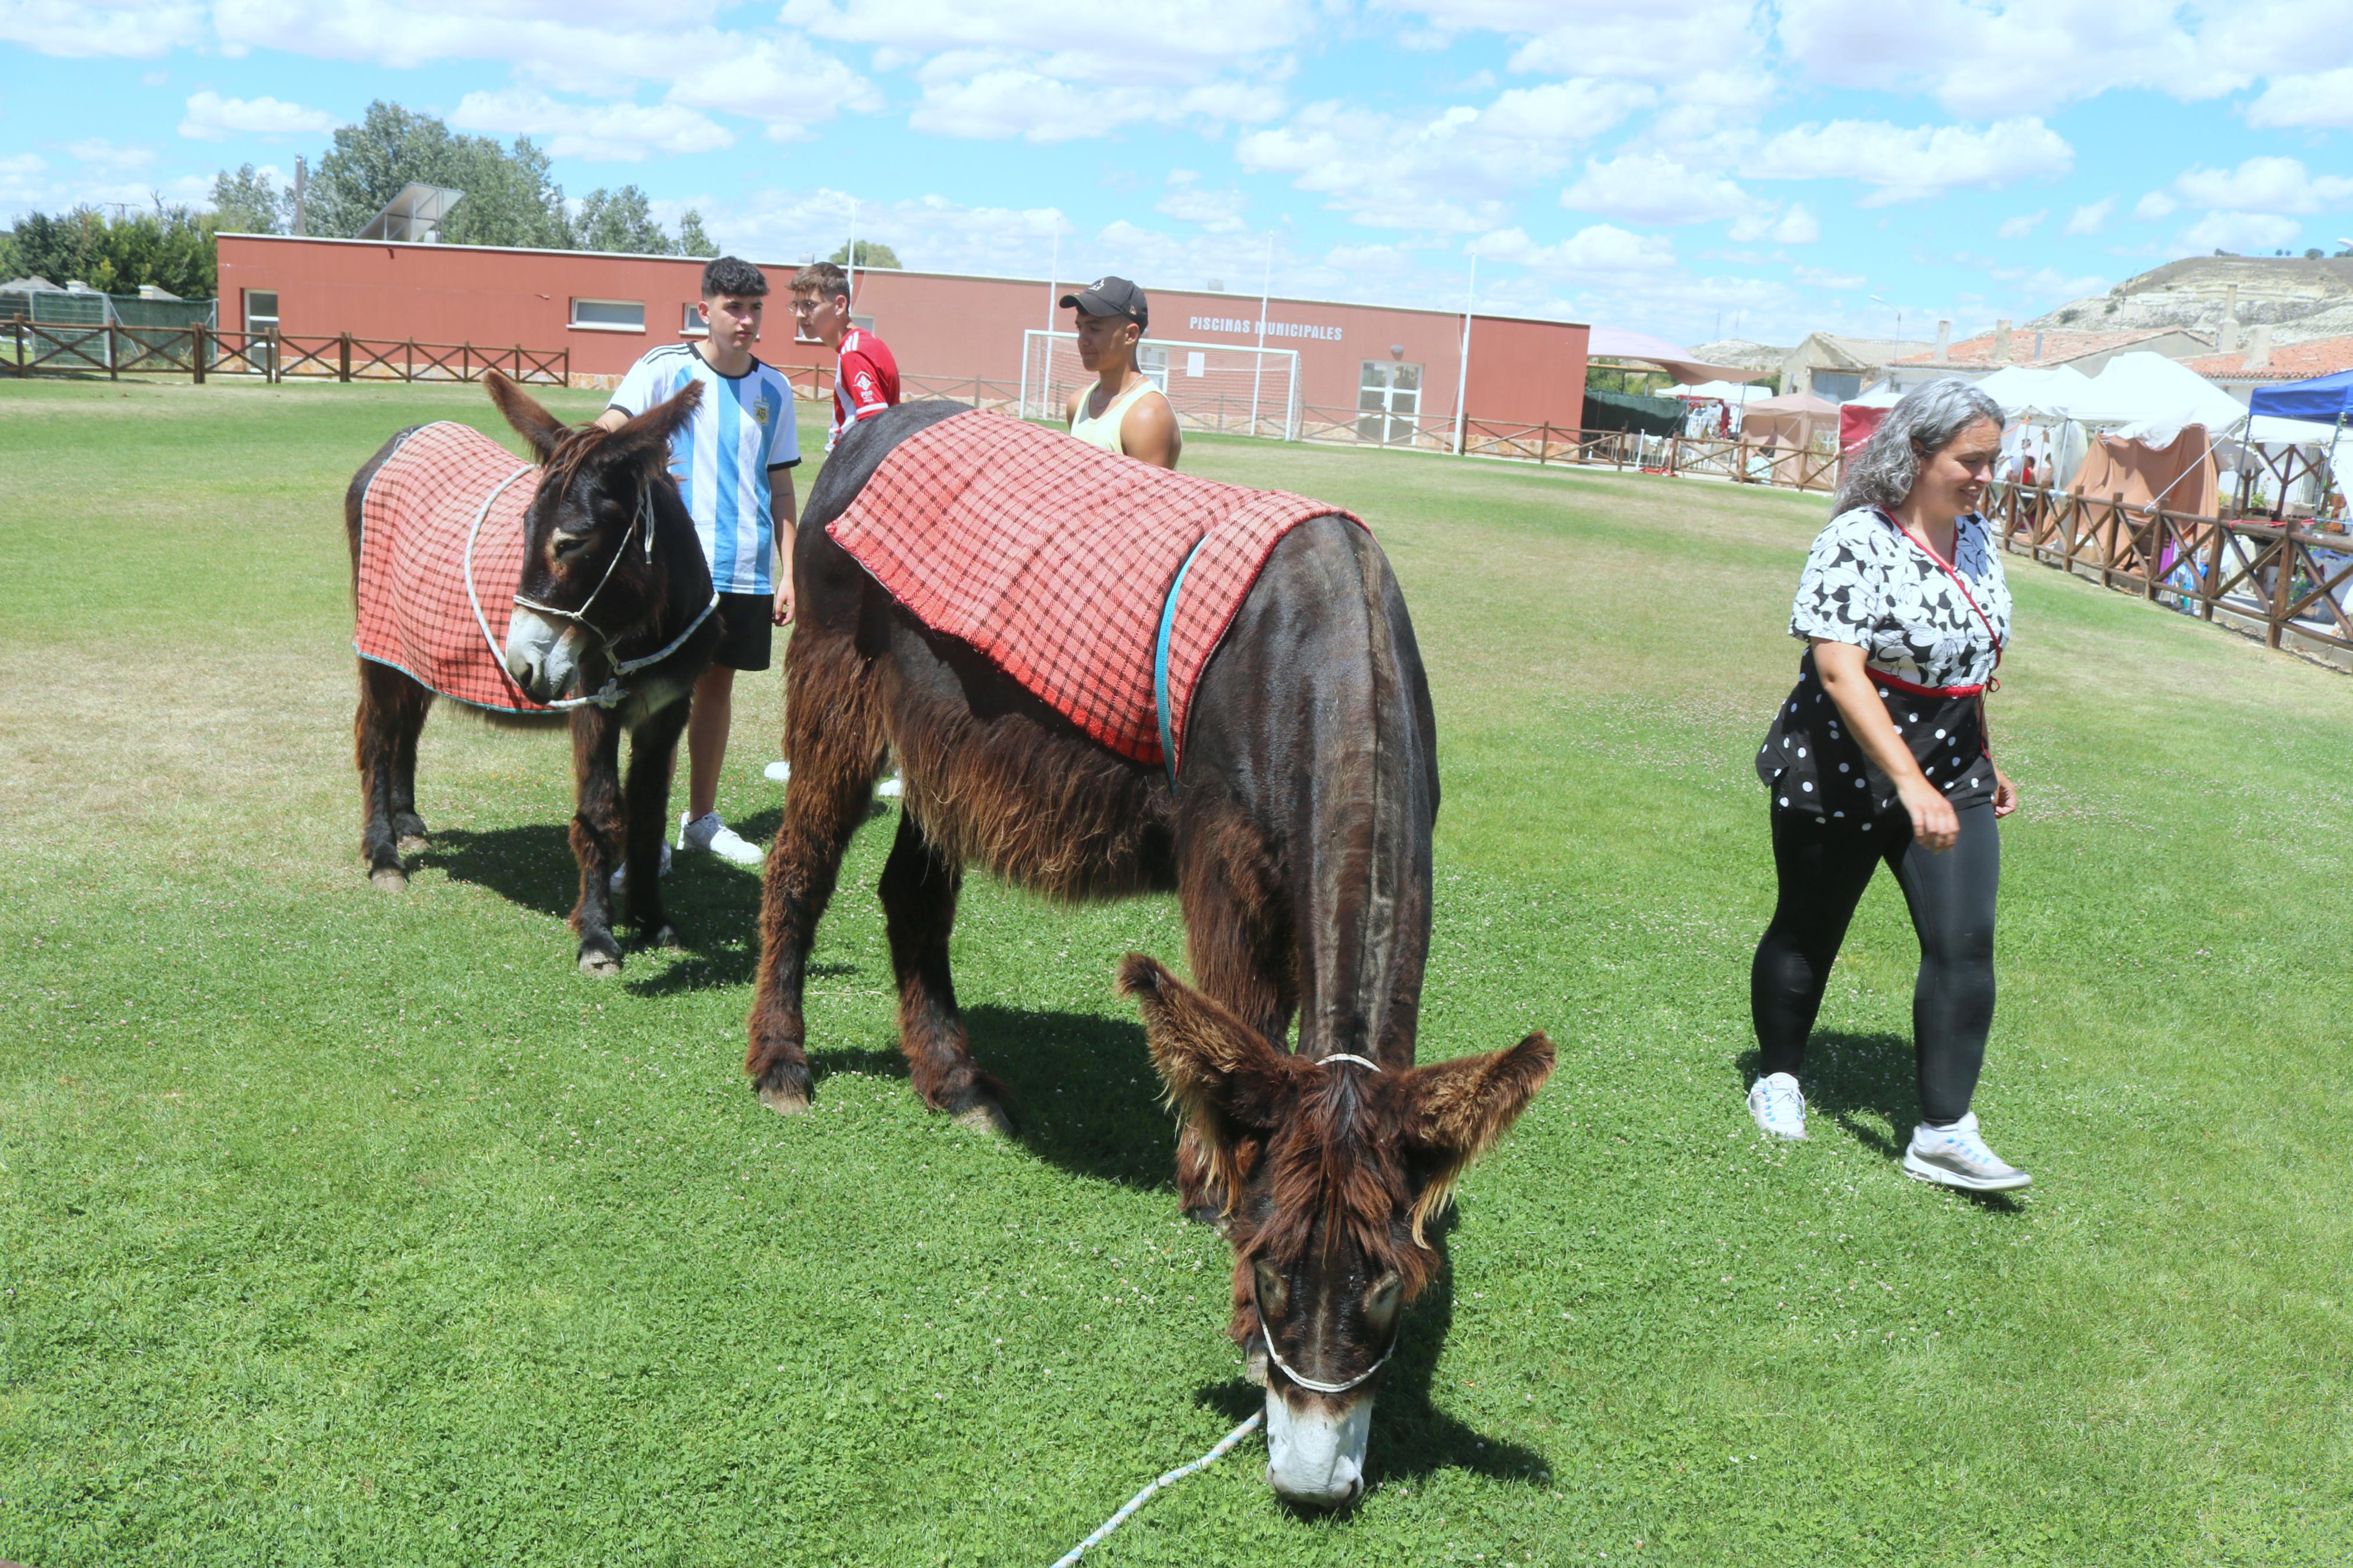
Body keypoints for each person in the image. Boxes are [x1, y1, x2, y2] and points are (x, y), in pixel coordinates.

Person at [1745, 378, 2032, 1193]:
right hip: (1839, 764)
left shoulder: (1976, 539)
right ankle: (1778, 1075)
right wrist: (1906, 781)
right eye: (1967, 460)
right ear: (1914, 452)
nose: (1983, 476)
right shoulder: (1853, 541)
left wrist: (1980, 755)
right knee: (1807, 930)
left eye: (1991, 461)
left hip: (1950, 769)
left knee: (1963, 942)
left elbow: (1965, 667)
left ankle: (1942, 1131)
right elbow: (1837, 669)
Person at [597, 254, 799, 869]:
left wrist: (789, 571)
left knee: (716, 688)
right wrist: (591, 444)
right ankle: (646, 828)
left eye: (754, 309)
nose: (745, 320)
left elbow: (782, 488)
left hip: (743, 568)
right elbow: (613, 425)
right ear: (703, 309)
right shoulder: (664, 369)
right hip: (670, 571)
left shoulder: (775, 389)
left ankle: (700, 820)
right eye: (733, 308)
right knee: (654, 693)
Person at [765, 259, 903, 792]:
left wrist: (848, 501)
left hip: (855, 500)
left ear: (839, 305)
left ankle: (820, 755)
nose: (801, 316)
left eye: (810, 305)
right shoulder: (861, 346)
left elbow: (872, 427)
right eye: (796, 306)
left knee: (831, 627)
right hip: (868, 499)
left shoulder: (852, 355)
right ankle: (881, 757)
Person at [1060, 276, 1180, 469]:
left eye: (1094, 328)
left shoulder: (1146, 414)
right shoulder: (1078, 404)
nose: (1082, 339)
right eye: (1080, 328)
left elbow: (1147, 499)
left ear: (1130, 335)